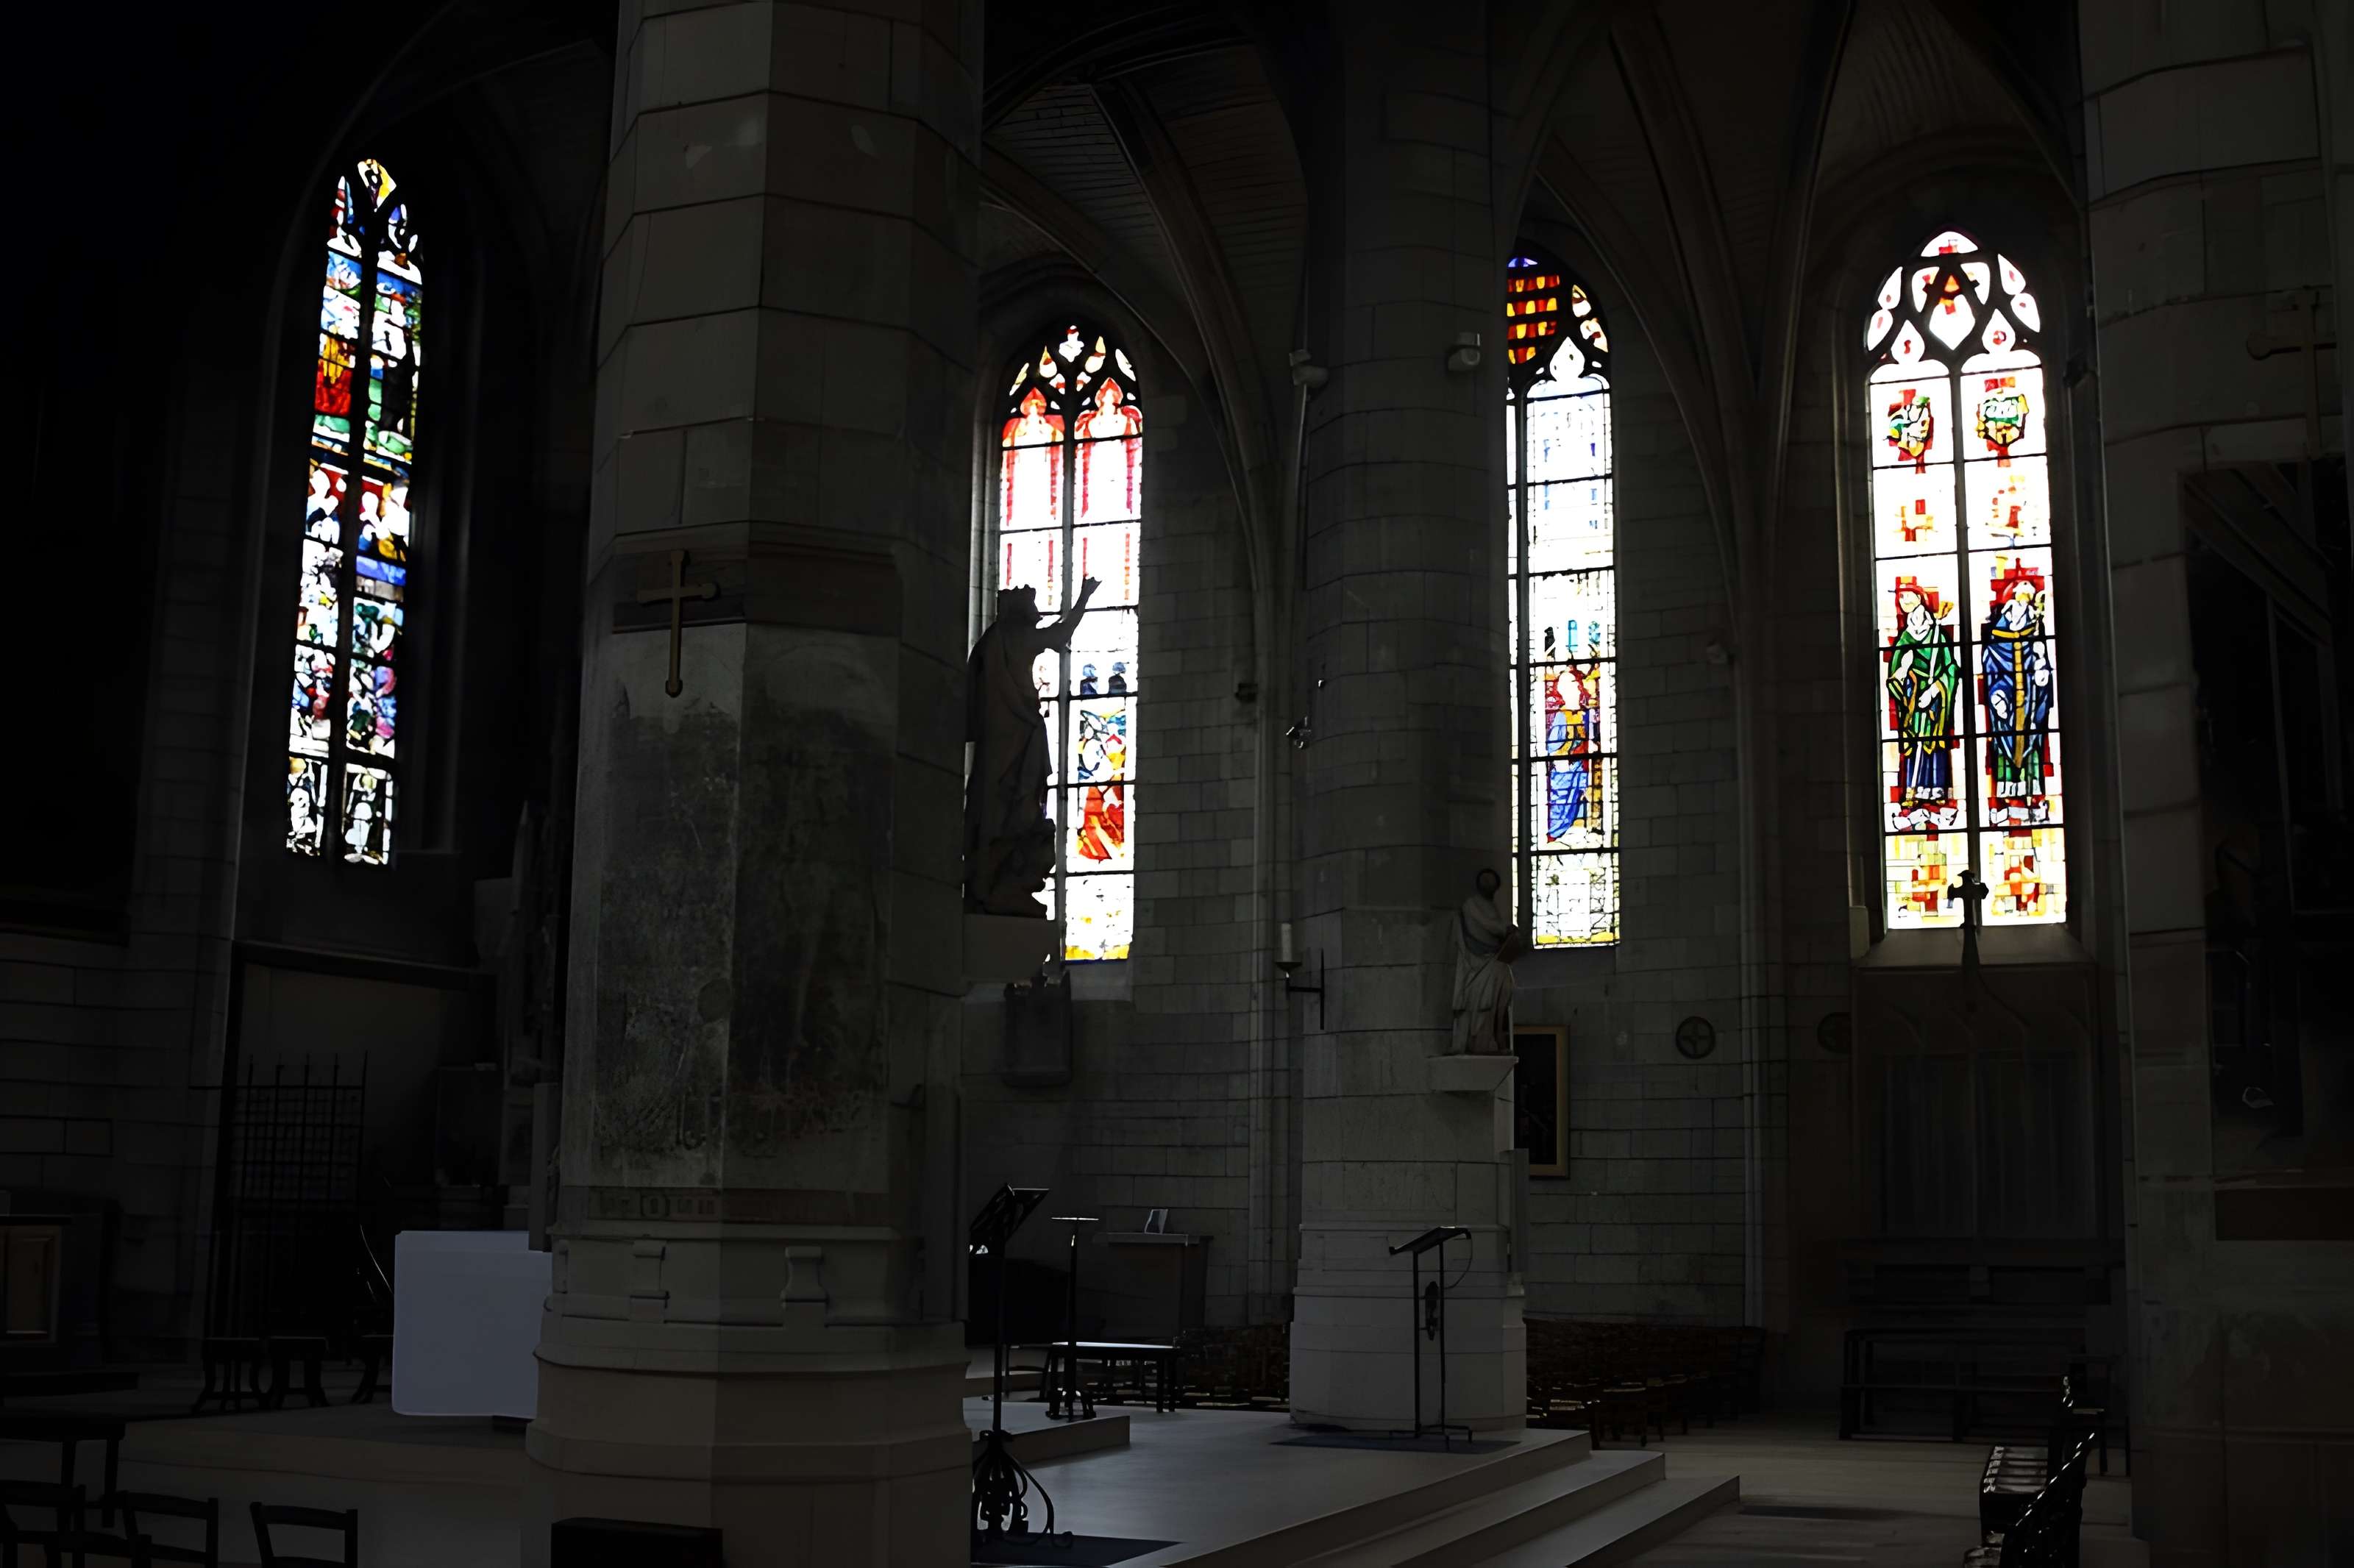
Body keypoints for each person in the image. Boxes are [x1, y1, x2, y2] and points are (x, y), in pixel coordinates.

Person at [965, 576, 1100, 913]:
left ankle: (988, 878)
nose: (1036, 609)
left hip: (1000, 739)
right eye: (1031, 603)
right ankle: (997, 881)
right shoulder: (1016, 637)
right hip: (1019, 734)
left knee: (995, 800)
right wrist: (1083, 597)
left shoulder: (989, 642)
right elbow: (1060, 635)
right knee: (1019, 802)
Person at [1451, 868, 1523, 1055]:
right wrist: (1506, 929)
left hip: (1495, 958)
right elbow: (1488, 925)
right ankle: (1482, 1043)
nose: (1488, 885)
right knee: (1483, 1001)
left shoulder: (1491, 906)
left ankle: (1497, 1036)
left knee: (1504, 991)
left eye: (1491, 882)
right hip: (1478, 963)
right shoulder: (1471, 904)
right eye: (1485, 881)